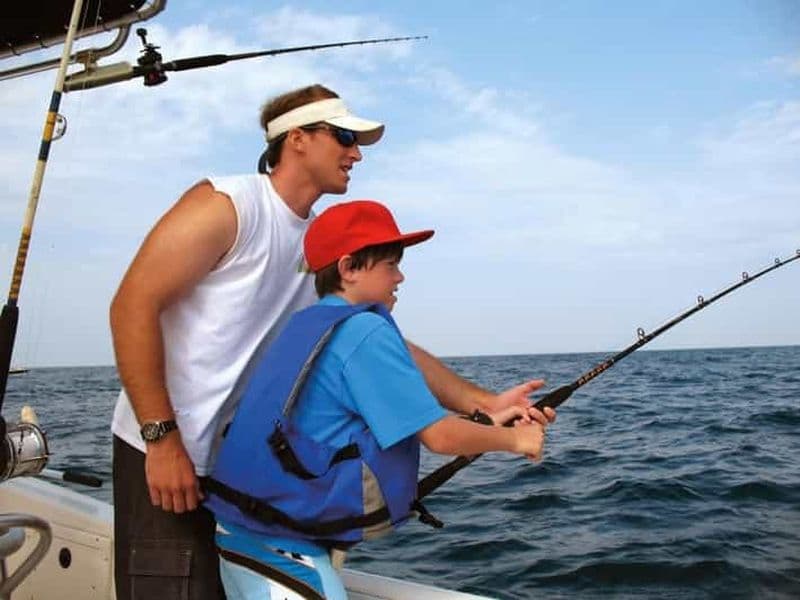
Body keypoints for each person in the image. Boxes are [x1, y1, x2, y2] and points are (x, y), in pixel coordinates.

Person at [109, 84, 550, 600]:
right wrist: (161, 440)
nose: (357, 153)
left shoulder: (322, 245)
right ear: (296, 138)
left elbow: (381, 347)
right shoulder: (228, 205)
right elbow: (132, 305)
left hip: (240, 471)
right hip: (164, 447)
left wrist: (483, 403)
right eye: (344, 136)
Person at [206, 200, 554, 599]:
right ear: (349, 268)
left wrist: (486, 415)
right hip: (286, 553)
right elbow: (441, 437)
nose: (400, 276)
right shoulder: (364, 332)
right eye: (390, 264)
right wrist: (517, 441)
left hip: (240, 533)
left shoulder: (308, 324)